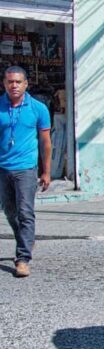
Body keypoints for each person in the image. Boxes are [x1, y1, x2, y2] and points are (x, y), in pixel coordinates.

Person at [0, 66, 52, 278]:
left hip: (26, 169)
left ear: (26, 84)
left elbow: (46, 142)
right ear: (4, 84)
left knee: (25, 212)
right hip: (3, 169)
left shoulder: (38, 108)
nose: (14, 85)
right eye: (10, 82)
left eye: (18, 82)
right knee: (10, 212)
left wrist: (46, 172)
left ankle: (23, 258)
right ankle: (26, 240)